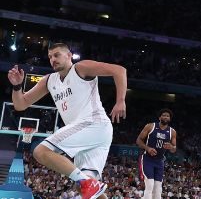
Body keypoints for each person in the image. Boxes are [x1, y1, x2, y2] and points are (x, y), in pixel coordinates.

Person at [7, 43, 127, 199]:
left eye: (57, 55)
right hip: (91, 133)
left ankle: (86, 182)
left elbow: (119, 70)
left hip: (93, 123)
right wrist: (17, 87)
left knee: (41, 151)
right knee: (87, 189)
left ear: (69, 55)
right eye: (50, 57)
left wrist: (120, 101)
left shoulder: (81, 68)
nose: (53, 60)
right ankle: (87, 182)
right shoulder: (49, 80)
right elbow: (20, 104)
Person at [136, 109, 177, 199]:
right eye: (164, 115)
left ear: (170, 119)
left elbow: (174, 149)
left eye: (168, 116)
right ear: (159, 117)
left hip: (159, 161)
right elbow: (139, 140)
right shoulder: (150, 126)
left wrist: (171, 147)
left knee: (158, 188)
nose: (166, 117)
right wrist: (148, 148)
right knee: (150, 184)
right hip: (147, 158)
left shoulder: (172, 132)